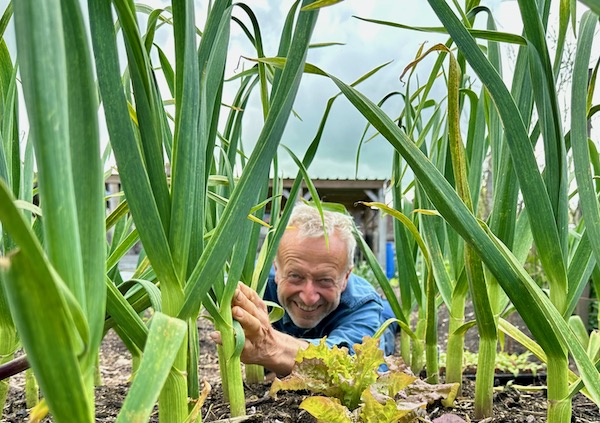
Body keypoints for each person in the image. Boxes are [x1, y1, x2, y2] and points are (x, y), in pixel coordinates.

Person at [210, 203, 396, 376]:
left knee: (385, 325)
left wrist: (270, 346)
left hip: (381, 313)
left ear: (346, 277)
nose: (308, 297)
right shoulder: (257, 285)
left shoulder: (362, 304)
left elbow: (356, 363)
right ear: (276, 268)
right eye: (295, 277)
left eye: (324, 280)